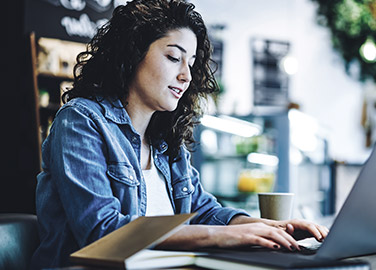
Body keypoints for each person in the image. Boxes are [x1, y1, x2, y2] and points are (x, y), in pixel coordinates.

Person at [31, 0, 328, 268]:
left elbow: (202, 209)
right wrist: (222, 236)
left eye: (192, 62)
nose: (186, 75)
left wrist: (268, 227)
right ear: (132, 55)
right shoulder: (81, 121)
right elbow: (102, 232)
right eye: (174, 58)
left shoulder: (164, 138)